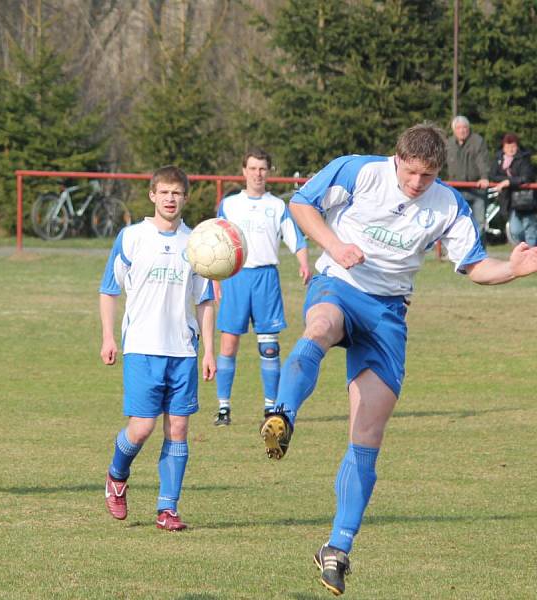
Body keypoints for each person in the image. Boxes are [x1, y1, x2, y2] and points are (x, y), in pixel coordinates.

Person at [258, 123, 537, 596]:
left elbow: (472, 266)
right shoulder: (358, 171)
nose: (416, 185)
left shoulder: (447, 205)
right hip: (339, 285)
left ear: (437, 172)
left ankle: (336, 550)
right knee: (320, 327)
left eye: (426, 177)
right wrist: (335, 246)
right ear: (397, 159)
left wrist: (511, 268)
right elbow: (301, 205)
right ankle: (281, 415)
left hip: (388, 314)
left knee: (367, 434)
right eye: (410, 174)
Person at [99, 165, 216, 531]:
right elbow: (109, 289)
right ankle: (117, 475)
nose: (170, 198)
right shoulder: (132, 237)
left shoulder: (198, 243)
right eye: (164, 192)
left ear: (185, 197)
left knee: (178, 428)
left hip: (183, 349)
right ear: (152, 195)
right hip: (142, 348)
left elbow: (205, 300)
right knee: (142, 428)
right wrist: (108, 336)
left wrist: (209, 350)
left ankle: (168, 509)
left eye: (177, 193)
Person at [212, 148, 311, 426]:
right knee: (229, 344)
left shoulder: (278, 206)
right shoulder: (230, 205)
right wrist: (214, 279)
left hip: (266, 278)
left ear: (269, 171)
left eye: (262, 168)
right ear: (244, 171)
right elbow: (215, 242)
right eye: (253, 168)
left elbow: (296, 239)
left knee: (269, 348)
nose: (257, 173)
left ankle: (271, 407)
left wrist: (304, 263)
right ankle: (223, 408)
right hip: (236, 278)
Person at [446, 115, 491, 243]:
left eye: (465, 127)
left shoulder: (477, 141)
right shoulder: (448, 144)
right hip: (456, 191)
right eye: (459, 128)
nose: (462, 130)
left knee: (479, 224)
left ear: (469, 128)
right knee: (456, 224)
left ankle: (480, 255)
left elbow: (482, 161)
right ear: (454, 130)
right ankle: (460, 254)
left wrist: (484, 177)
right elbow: (440, 163)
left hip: (476, 190)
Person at [489, 132, 536, 246]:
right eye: (508, 146)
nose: (510, 149)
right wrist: (507, 181)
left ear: (517, 146)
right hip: (509, 201)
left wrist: (508, 182)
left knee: (530, 229)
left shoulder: (524, 158)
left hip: (527, 200)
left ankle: (532, 258)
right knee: (515, 230)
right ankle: (525, 252)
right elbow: (492, 175)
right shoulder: (499, 159)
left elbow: (526, 177)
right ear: (504, 147)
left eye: (513, 146)